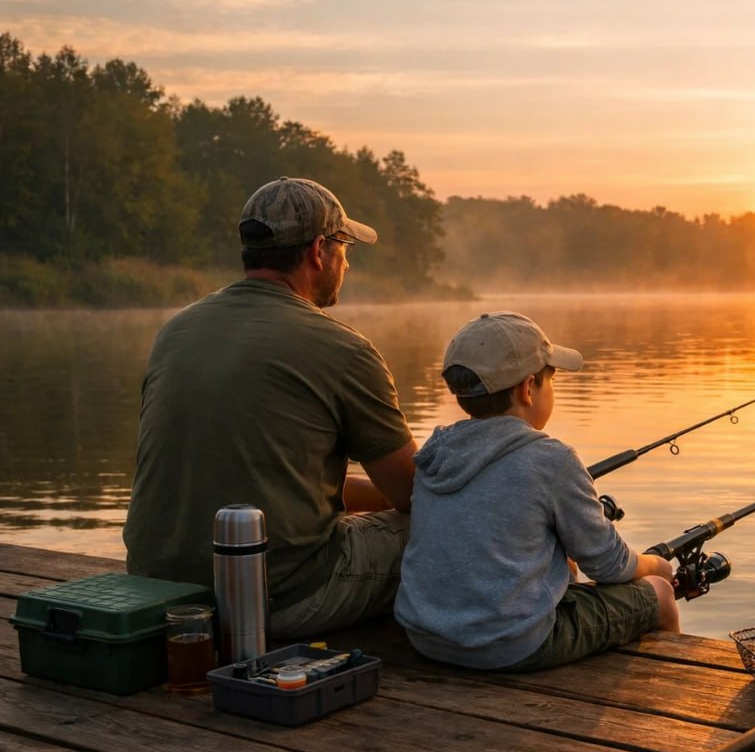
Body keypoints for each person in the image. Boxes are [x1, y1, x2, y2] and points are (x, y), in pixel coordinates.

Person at [123, 176, 417, 637]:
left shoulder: (177, 331)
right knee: (440, 530)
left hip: (155, 593)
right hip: (273, 601)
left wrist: (360, 498)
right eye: (345, 247)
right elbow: (411, 494)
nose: (347, 263)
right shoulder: (344, 350)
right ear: (319, 250)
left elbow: (258, 472)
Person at [395, 311, 680, 671]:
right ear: (528, 389)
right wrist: (658, 565)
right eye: (551, 379)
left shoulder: (435, 453)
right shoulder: (553, 460)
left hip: (426, 636)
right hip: (512, 645)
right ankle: (672, 689)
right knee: (661, 594)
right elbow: (609, 565)